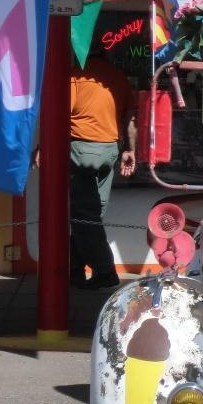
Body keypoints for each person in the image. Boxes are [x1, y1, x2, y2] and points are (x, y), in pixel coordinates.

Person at [67, 54, 136, 289]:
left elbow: (62, 114)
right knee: (93, 214)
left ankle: (105, 271)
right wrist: (129, 149)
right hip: (109, 150)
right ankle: (74, 269)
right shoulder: (117, 77)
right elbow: (130, 117)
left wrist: (43, 146)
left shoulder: (76, 76)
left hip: (82, 149)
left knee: (84, 215)